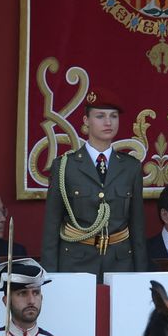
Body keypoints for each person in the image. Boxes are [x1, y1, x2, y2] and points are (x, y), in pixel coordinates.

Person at [41, 89, 147, 278]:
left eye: (113, 116)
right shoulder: (65, 166)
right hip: (76, 262)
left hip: (119, 262)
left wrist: (141, 275)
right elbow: (51, 227)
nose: (108, 122)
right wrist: (50, 277)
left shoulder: (131, 167)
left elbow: (137, 227)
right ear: (86, 121)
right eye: (100, 116)